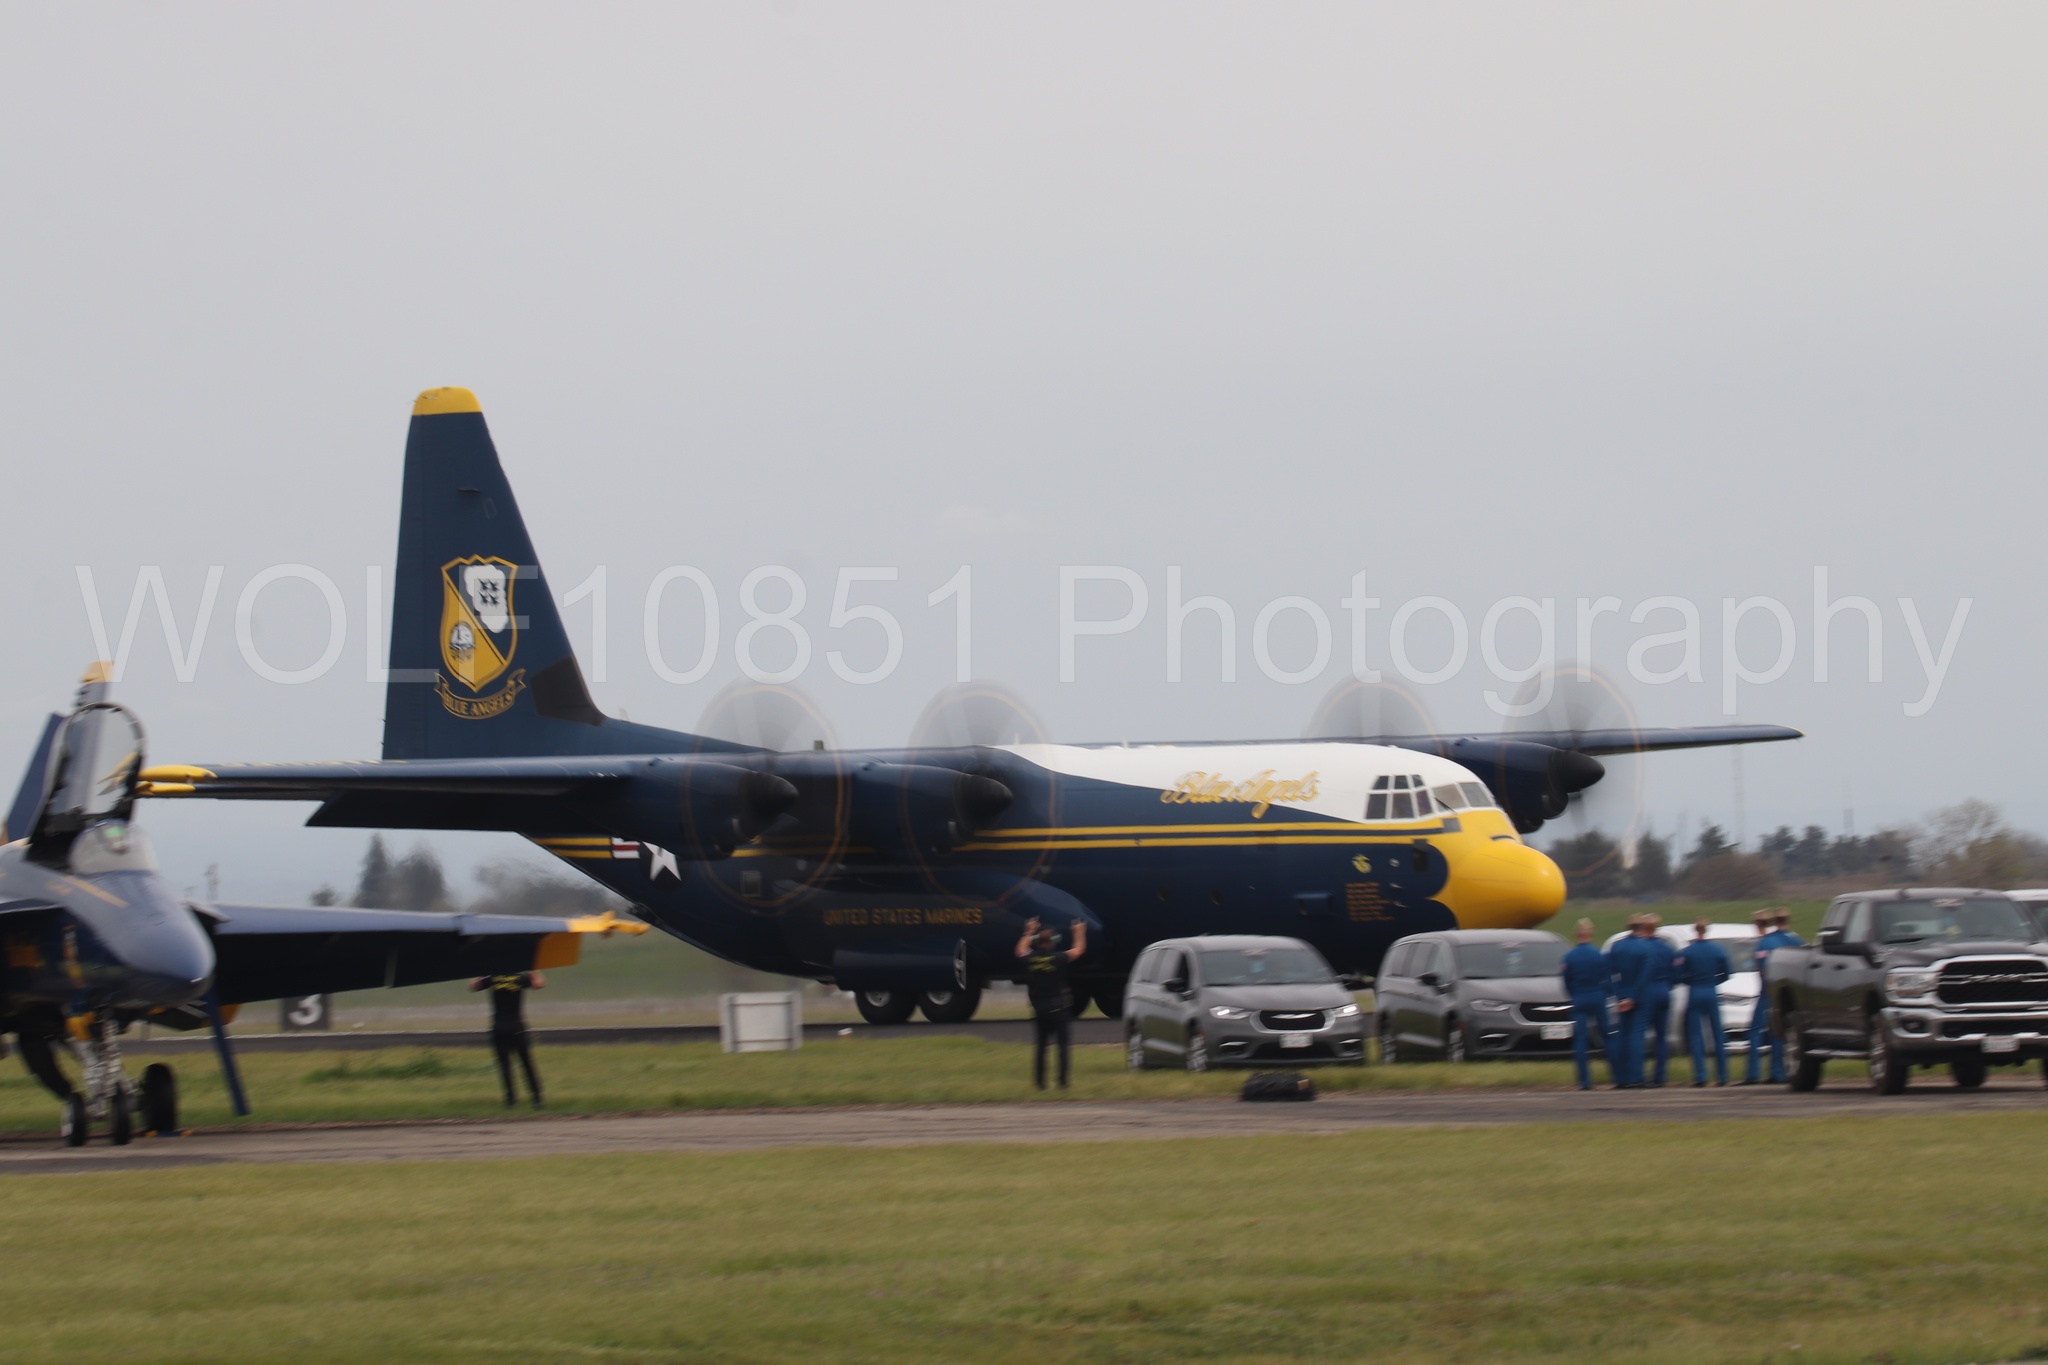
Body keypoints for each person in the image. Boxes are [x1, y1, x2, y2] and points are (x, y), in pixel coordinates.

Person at [1015, 915, 1087, 1089]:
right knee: (1062, 1046)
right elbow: (1079, 950)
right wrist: (1079, 932)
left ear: (1036, 941)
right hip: (1059, 1008)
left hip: (1039, 1008)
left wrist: (1029, 932)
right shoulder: (1059, 958)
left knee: (1041, 1046)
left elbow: (1020, 951)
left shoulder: (1030, 958)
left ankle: (1040, 1083)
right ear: (1054, 940)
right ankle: (1062, 1082)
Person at [1741, 909, 1803, 1084]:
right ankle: (1779, 1071)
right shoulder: (1796, 941)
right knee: (1779, 1032)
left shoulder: (1765, 942)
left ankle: (1753, 1073)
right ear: (1787, 921)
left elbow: (1763, 967)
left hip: (1768, 992)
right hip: (1788, 994)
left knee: (1755, 1032)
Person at [470, 970, 545, 1107]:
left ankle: (511, 1100)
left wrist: (482, 969)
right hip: (516, 1026)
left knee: (504, 1064)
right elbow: (539, 984)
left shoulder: (492, 978)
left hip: (499, 1026)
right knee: (526, 1063)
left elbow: (474, 986)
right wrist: (533, 969)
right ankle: (537, 1099)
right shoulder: (520, 978)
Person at [1675, 919, 1733, 1086]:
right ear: (1706, 930)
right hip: (1711, 990)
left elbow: (1678, 976)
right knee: (1718, 1034)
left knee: (1695, 1035)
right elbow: (1726, 973)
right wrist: (1714, 981)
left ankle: (1700, 1076)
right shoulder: (1717, 950)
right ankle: (1723, 1076)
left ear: (1695, 931)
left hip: (1695, 991)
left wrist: (1691, 981)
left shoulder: (1687, 952)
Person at [1559, 918, 1613, 1090]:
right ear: (1590, 934)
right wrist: (1606, 995)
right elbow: (1607, 978)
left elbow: (1566, 981)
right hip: (1597, 995)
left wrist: (1574, 994)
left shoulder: (1569, 957)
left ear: (1576, 934)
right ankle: (1616, 1075)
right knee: (1606, 1036)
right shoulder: (1598, 954)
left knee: (1581, 1040)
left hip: (1579, 996)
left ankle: (1584, 1080)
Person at [1607, 915, 1654, 1088]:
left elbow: (1611, 974)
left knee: (1622, 1035)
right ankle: (1636, 1076)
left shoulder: (1617, 946)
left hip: (1622, 995)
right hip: (1639, 997)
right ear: (1641, 928)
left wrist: (1620, 996)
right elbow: (1644, 976)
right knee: (1636, 1036)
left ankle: (1621, 1077)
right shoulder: (1645, 948)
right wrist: (1632, 998)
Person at [1638, 914, 1678, 1087]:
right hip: (1664, 990)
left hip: (1647, 991)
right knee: (1662, 1036)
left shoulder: (1641, 947)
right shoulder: (1667, 948)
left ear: (1643, 928)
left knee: (1640, 1034)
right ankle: (1660, 1075)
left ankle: (1640, 1074)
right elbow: (1675, 974)